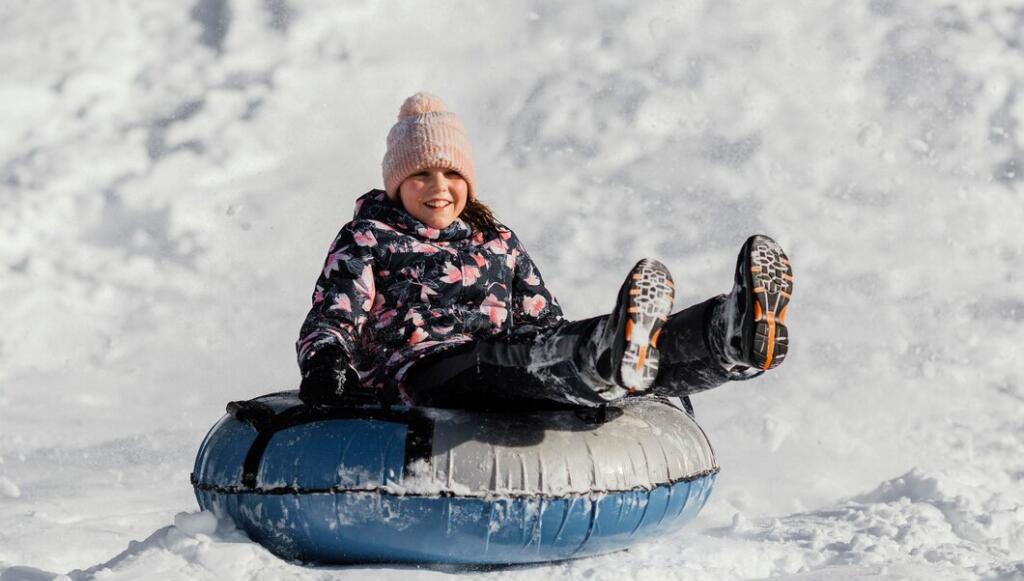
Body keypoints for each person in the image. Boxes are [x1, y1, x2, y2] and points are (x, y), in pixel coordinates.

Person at [296, 92, 793, 410]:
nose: (438, 187)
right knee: (518, 359)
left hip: (504, 360)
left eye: (452, 174)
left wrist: (567, 338)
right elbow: (333, 315)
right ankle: (604, 358)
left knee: (558, 346)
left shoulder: (498, 241)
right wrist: (325, 364)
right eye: (421, 175)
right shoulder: (369, 238)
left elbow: (541, 319)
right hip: (422, 372)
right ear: (397, 183)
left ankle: (724, 338)